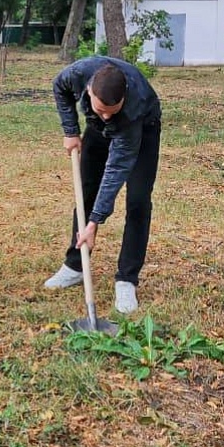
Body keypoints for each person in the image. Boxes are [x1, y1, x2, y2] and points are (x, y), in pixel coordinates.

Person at [44, 56, 161, 314]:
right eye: (101, 110)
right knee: (85, 190)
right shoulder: (77, 74)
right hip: (96, 131)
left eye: (112, 110)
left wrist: (95, 222)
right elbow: (59, 87)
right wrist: (71, 131)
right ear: (88, 90)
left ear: (123, 98)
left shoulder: (132, 109)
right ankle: (76, 266)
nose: (107, 116)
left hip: (143, 128)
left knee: (138, 200)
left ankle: (126, 280)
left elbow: (116, 171)